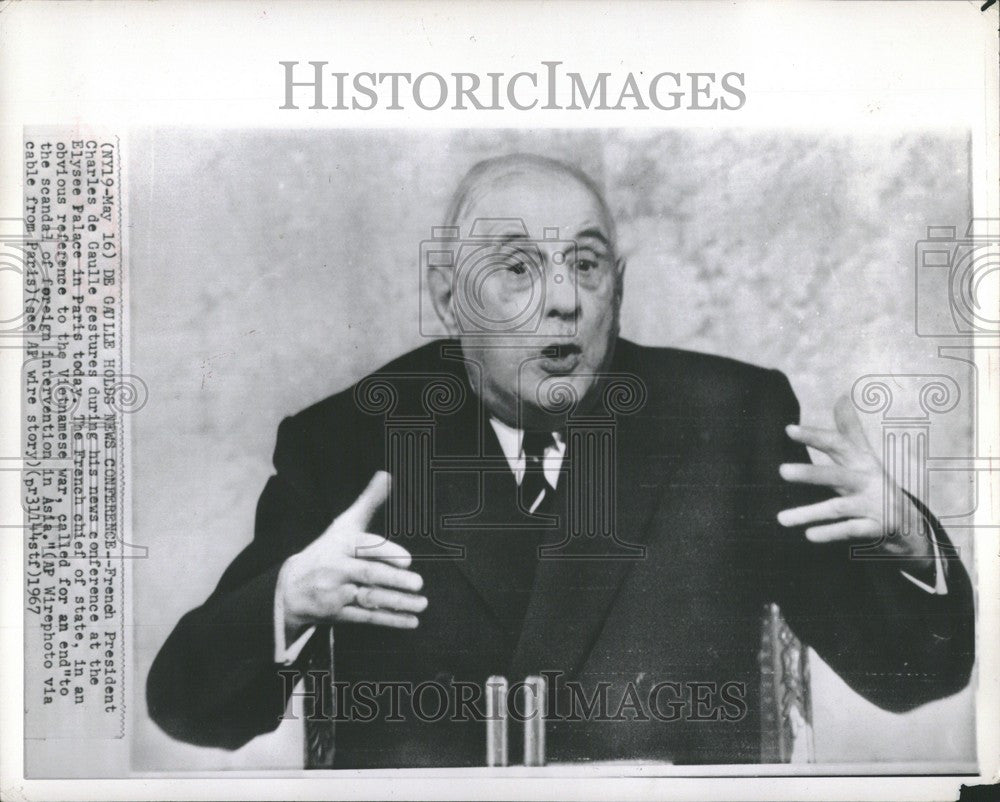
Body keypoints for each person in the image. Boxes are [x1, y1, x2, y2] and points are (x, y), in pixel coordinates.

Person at [147, 154, 974, 767]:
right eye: (517, 267)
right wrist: (289, 600)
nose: (564, 299)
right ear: (446, 292)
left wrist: (910, 546)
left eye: (585, 264)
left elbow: (915, 678)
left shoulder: (727, 422)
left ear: (617, 285)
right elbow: (189, 707)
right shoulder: (350, 439)